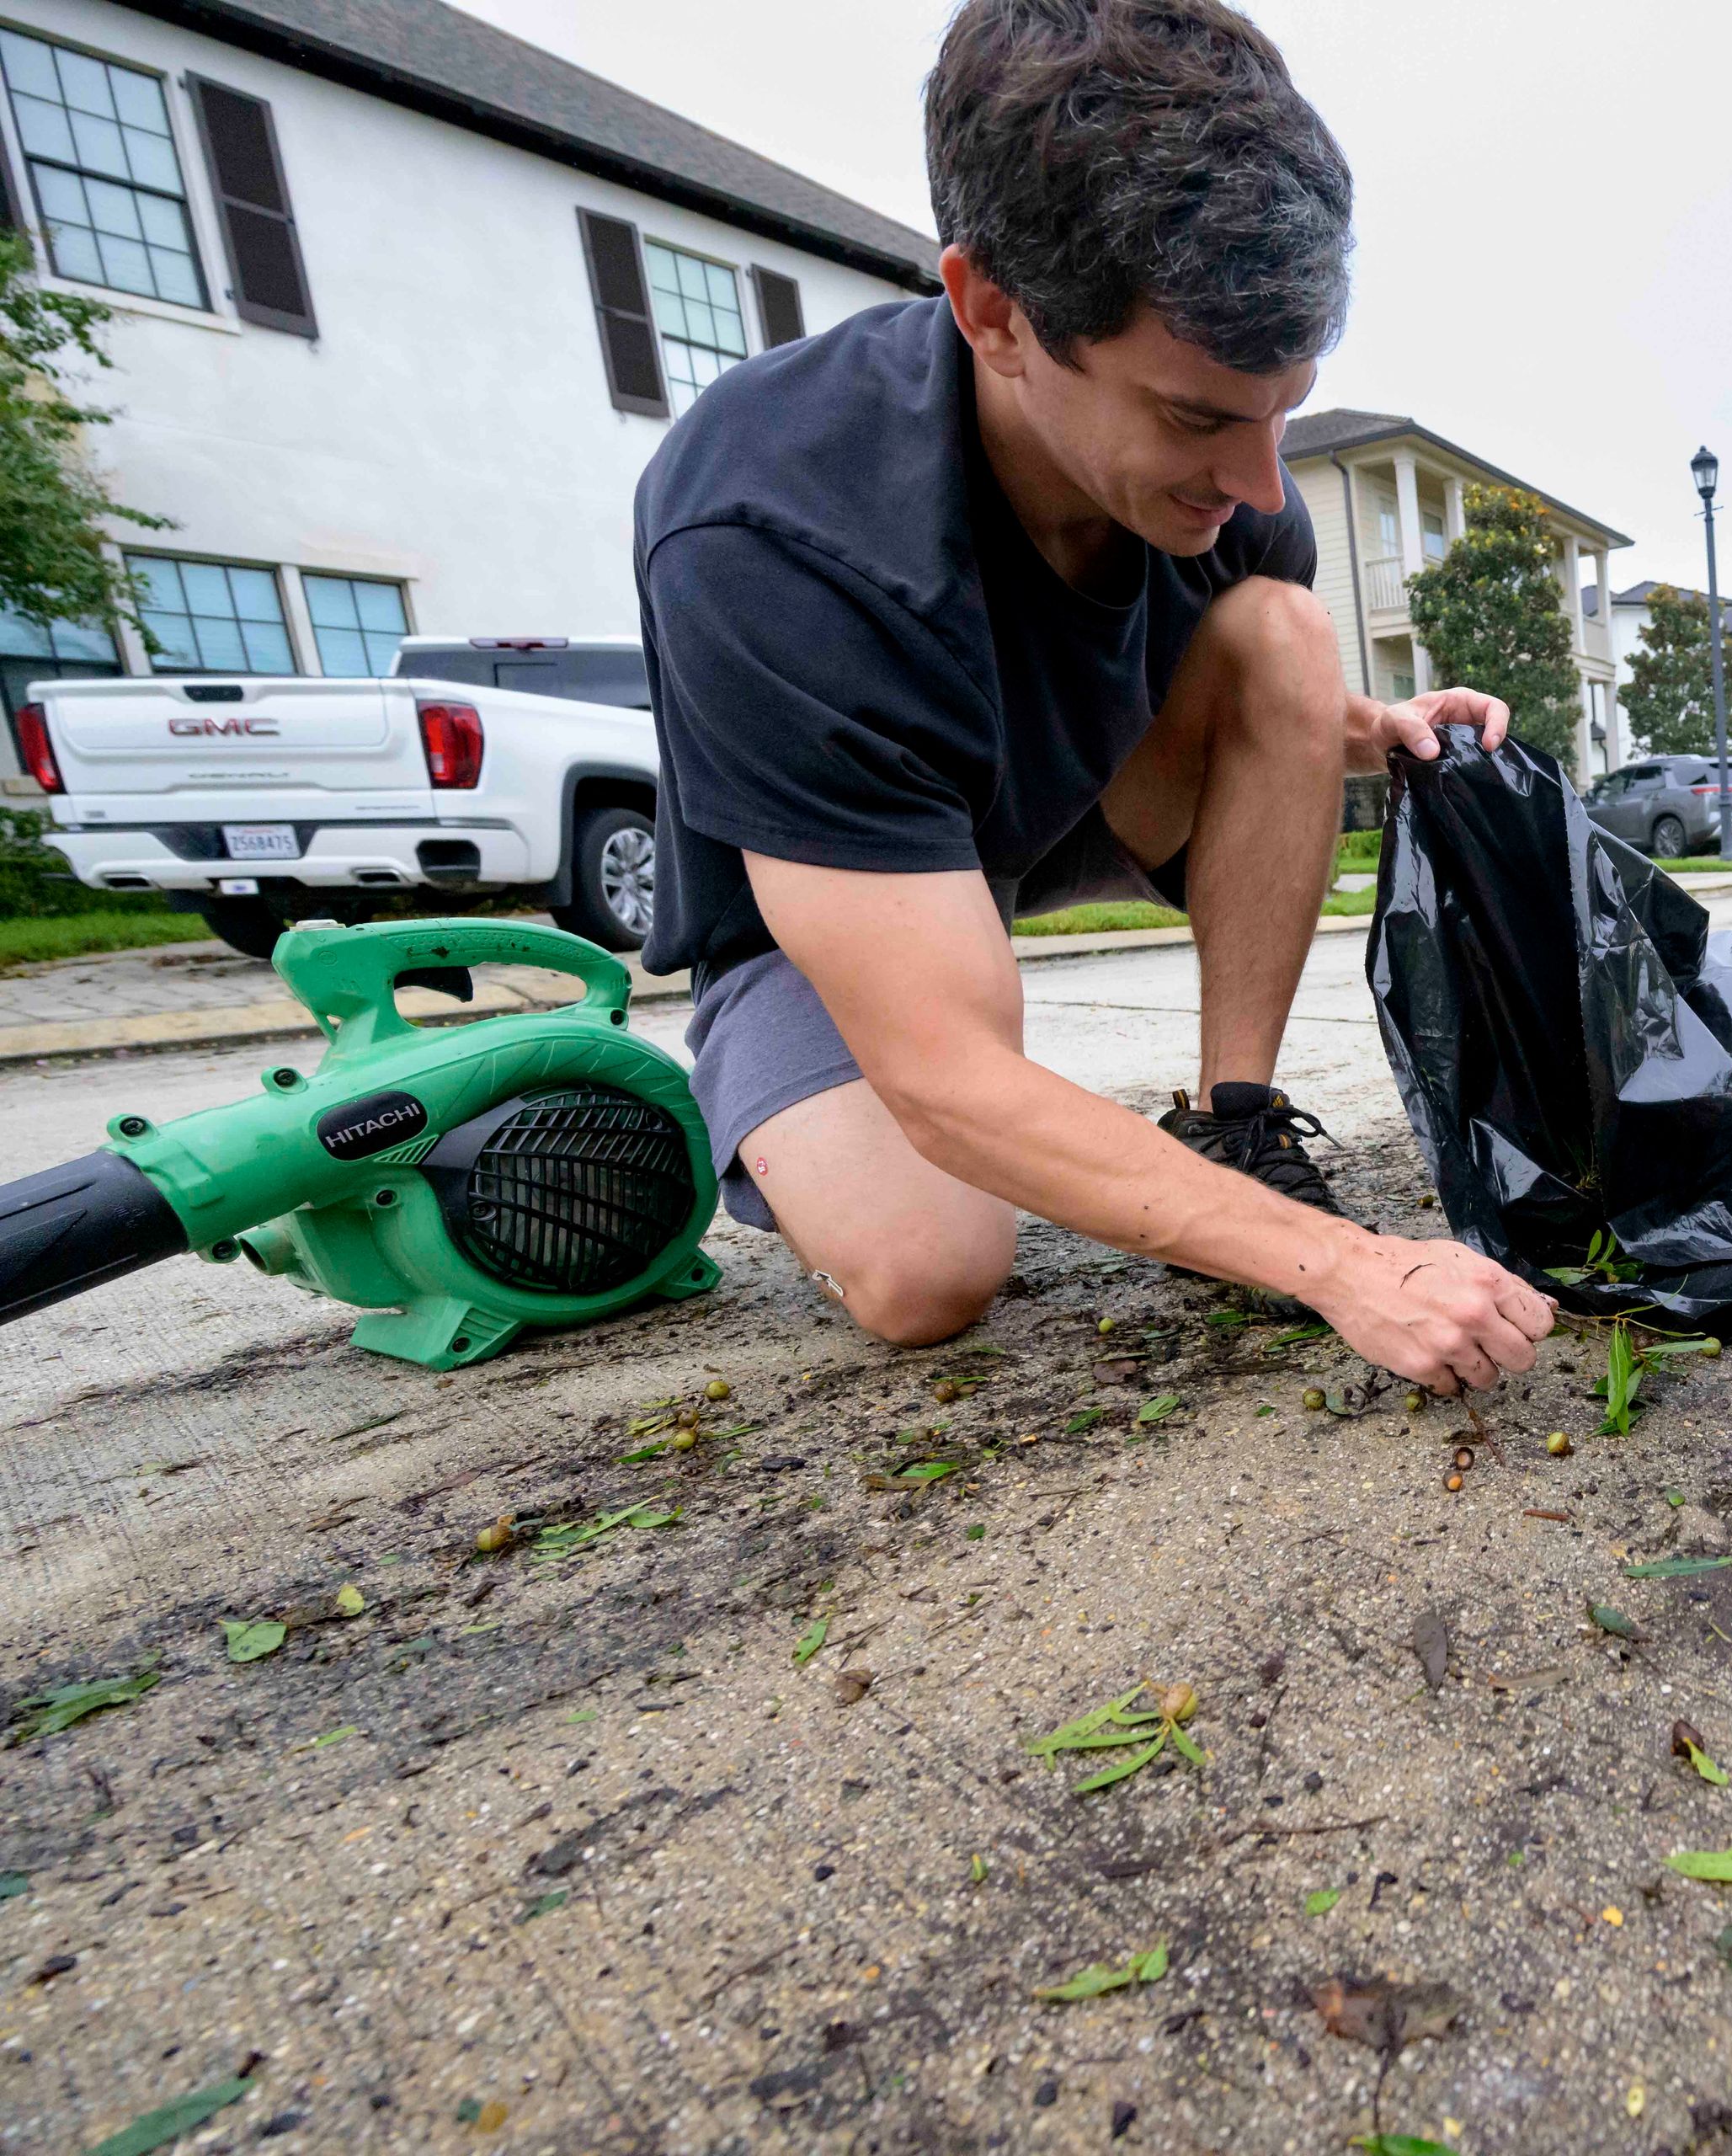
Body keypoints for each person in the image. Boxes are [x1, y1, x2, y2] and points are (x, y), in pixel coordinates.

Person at [632, 0, 1552, 1394]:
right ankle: (750, 1100)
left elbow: (1223, 697)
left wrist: (1366, 730)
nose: (1257, 481)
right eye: (1195, 416)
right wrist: (1339, 1267)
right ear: (995, 312)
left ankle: (1230, 1122)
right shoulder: (766, 534)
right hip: (824, 902)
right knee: (927, 1274)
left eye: (1283, 407)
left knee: (1285, 632)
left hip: (1063, 807)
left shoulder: (1234, 500)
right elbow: (943, 1075)